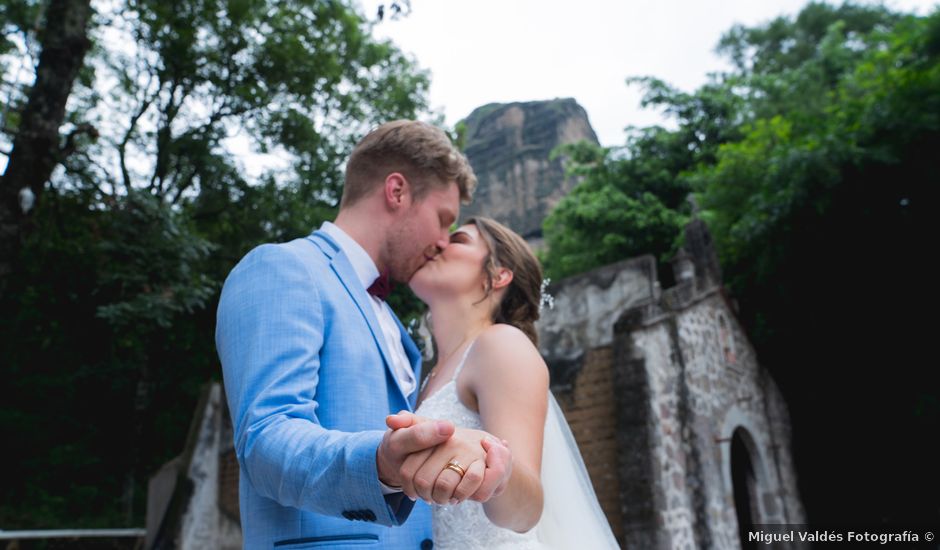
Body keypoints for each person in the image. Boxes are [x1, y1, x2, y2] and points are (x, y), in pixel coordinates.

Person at [216, 120, 514, 549]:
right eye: (443, 219)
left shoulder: (394, 323)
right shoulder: (282, 268)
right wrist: (381, 463)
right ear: (397, 192)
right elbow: (267, 439)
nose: (443, 241)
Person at [387, 217, 620, 549]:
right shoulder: (426, 374)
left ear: (498, 275)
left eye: (459, 240)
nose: (439, 243)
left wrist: (489, 465)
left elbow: (527, 510)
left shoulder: (501, 344)